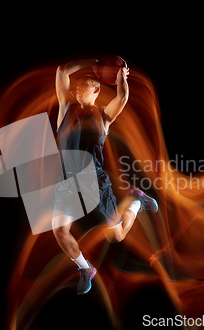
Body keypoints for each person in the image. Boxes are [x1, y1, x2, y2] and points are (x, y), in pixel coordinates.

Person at [52, 58, 159, 295]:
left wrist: (122, 78)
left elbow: (122, 97)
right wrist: (93, 61)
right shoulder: (65, 109)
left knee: (117, 236)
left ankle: (136, 201)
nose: (77, 88)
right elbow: (62, 71)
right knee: (60, 231)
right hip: (67, 183)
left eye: (83, 84)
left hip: (95, 184)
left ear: (97, 89)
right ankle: (85, 268)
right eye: (76, 85)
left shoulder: (104, 116)